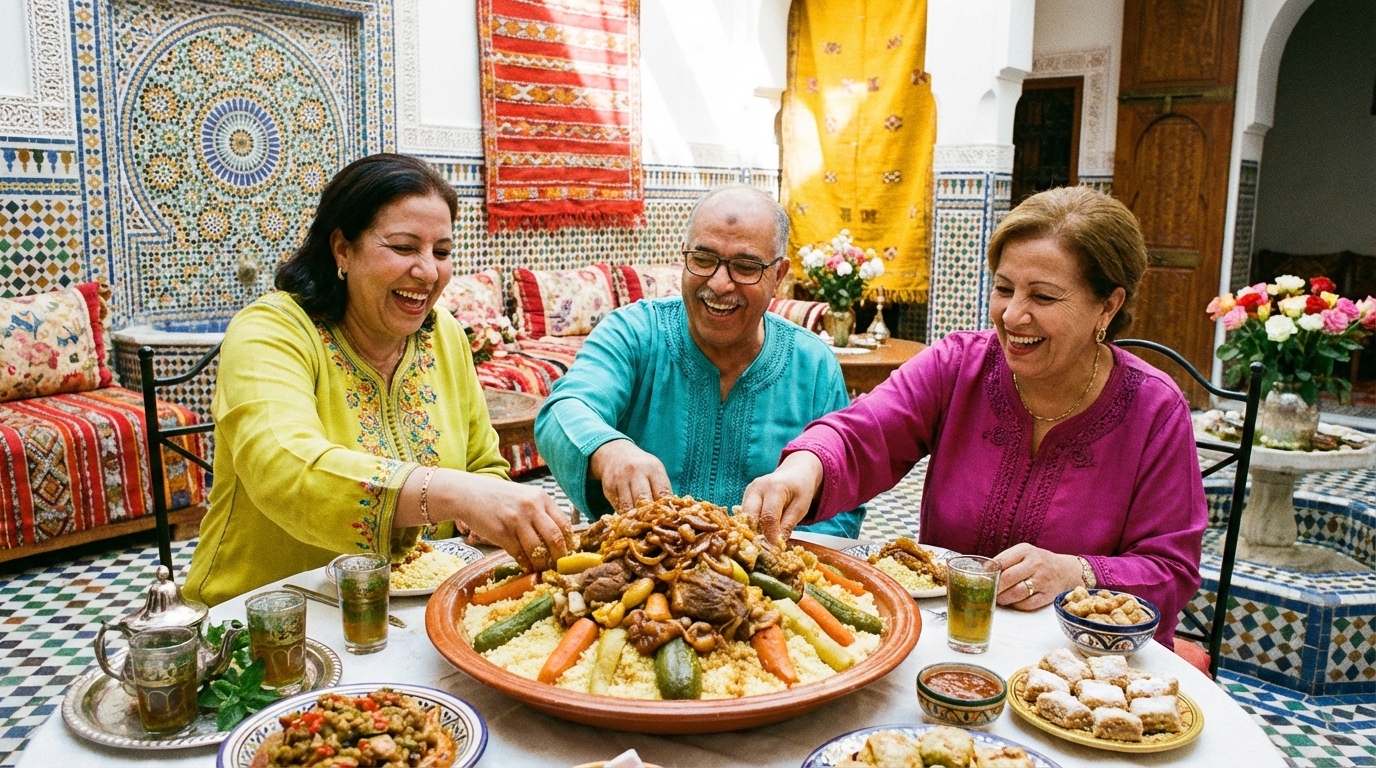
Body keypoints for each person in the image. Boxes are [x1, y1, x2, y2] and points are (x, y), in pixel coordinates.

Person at [742, 186, 1206, 646]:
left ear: (1108, 305)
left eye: (1043, 297)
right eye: (1004, 289)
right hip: (946, 645)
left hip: (1081, 669)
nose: (1013, 315)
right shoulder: (958, 366)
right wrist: (800, 471)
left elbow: (1171, 569)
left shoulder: (1155, 411)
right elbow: (863, 433)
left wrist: (1075, 572)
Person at [185, 153, 570, 606]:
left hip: (417, 612)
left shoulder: (444, 335)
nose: (428, 271)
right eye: (405, 248)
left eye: (441, 252)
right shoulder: (272, 330)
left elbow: (482, 466)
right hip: (267, 617)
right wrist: (454, 494)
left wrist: (483, 512)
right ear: (342, 249)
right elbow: (283, 468)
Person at [533, 185, 864, 536]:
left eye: (746, 266)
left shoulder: (812, 365)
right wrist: (609, 450)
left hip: (772, 586)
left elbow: (840, 502)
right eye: (703, 260)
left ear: (778, 276)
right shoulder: (634, 333)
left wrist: (777, 566)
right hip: (634, 577)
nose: (719, 284)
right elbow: (564, 410)